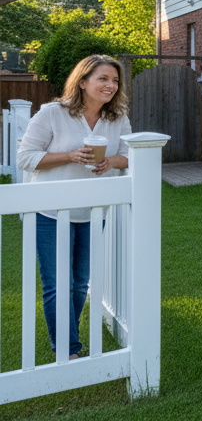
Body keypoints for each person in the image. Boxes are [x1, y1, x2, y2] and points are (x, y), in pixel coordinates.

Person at [17, 55, 132, 359]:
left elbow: (129, 156)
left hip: (92, 212)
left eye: (115, 80)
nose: (110, 85)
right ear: (82, 82)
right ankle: (68, 351)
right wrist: (69, 156)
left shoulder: (116, 118)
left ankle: (68, 337)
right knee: (57, 284)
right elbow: (25, 157)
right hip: (50, 210)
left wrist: (110, 162)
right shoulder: (53, 113)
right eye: (103, 79)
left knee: (80, 284)